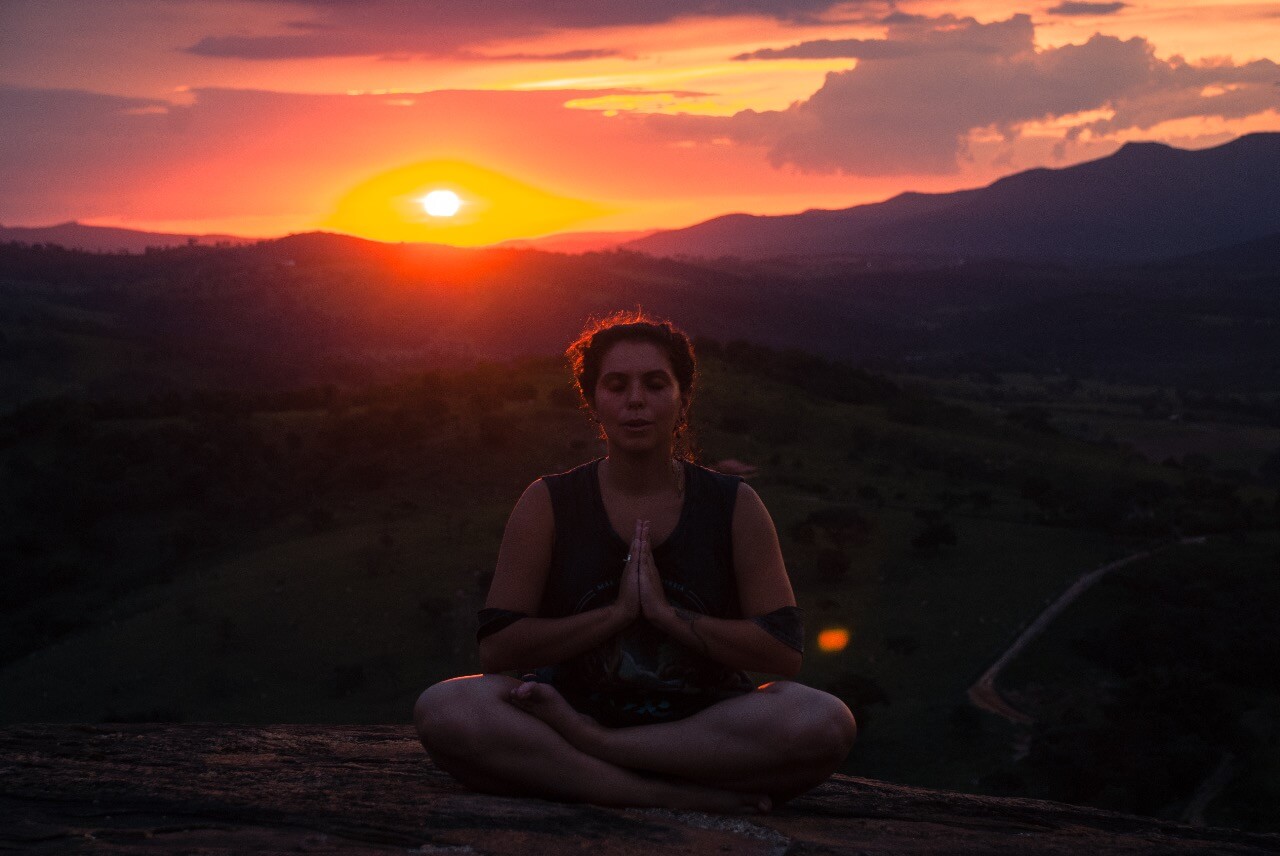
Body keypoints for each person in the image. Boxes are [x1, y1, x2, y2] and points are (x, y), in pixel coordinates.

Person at [413, 313, 856, 813]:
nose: (636, 400)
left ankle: (601, 752)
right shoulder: (549, 502)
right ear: (593, 401)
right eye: (616, 385)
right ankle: (649, 793)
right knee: (444, 708)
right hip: (565, 706)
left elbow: (782, 653)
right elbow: (497, 651)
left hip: (700, 729)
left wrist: (670, 617)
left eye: (654, 383)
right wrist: (616, 614)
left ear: (681, 398)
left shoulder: (734, 505)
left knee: (825, 721)